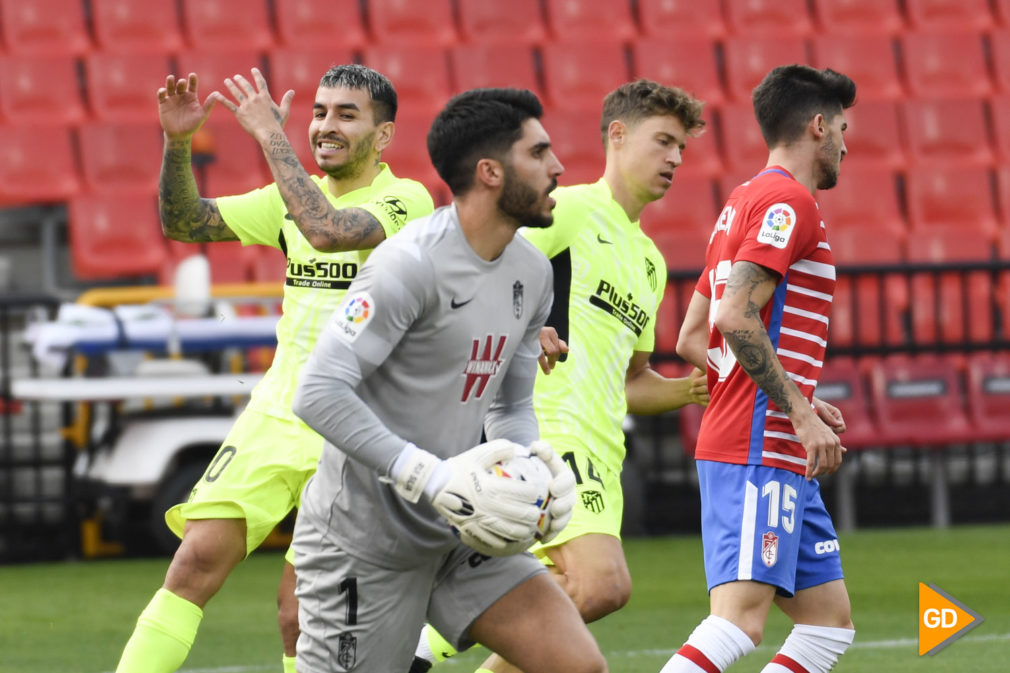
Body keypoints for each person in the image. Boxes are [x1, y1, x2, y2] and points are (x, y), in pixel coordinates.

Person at [114, 64, 434, 673]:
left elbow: (329, 231)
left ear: (384, 135)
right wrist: (178, 144)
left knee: (299, 612)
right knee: (193, 563)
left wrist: (269, 135)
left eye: (346, 114)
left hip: (357, 430)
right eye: (319, 112)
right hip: (276, 413)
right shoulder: (286, 199)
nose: (326, 126)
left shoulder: (406, 200)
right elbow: (183, 222)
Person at [290, 87, 606, 673]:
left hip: (463, 528)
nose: (558, 169)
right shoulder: (408, 265)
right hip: (363, 544)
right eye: (539, 154)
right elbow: (317, 393)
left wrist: (531, 467)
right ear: (490, 172)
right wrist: (429, 476)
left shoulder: (533, 272)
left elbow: (509, 407)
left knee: (577, 666)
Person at [410, 78, 711, 673]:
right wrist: (523, 327)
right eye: (664, 141)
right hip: (546, 429)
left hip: (602, 450)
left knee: (567, 597)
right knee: (600, 585)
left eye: (682, 147)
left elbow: (633, 380)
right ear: (617, 136)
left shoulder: (649, 260)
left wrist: (695, 389)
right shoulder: (572, 210)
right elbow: (481, 264)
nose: (676, 158)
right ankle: (421, 640)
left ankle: (420, 646)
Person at [661, 65, 857, 673]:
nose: (847, 145)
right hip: (759, 444)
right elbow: (737, 317)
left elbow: (695, 336)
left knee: (827, 626)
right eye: (844, 128)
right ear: (819, 126)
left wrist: (791, 392)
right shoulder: (787, 201)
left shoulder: (742, 201)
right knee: (739, 620)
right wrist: (796, 408)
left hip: (770, 444)